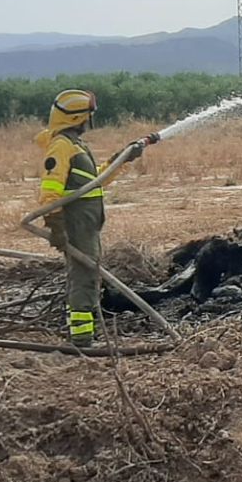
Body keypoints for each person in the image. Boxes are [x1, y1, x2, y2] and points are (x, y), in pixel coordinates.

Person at [34, 89, 153, 347]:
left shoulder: (76, 145)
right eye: (87, 116)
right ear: (76, 118)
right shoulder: (61, 146)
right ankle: (82, 337)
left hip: (87, 224)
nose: (89, 121)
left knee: (86, 272)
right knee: (84, 274)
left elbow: (96, 180)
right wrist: (56, 227)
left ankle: (82, 330)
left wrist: (122, 159)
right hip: (75, 222)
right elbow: (50, 191)